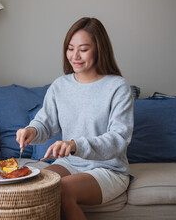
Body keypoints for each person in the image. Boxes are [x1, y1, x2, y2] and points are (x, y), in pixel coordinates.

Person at [16, 17, 134, 220]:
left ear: (99, 49)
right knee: (36, 185)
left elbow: (118, 139)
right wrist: (31, 131)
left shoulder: (118, 87)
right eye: (70, 48)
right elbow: (45, 123)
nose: (75, 56)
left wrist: (75, 145)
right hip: (71, 164)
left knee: (62, 189)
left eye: (84, 49)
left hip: (108, 169)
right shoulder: (60, 85)